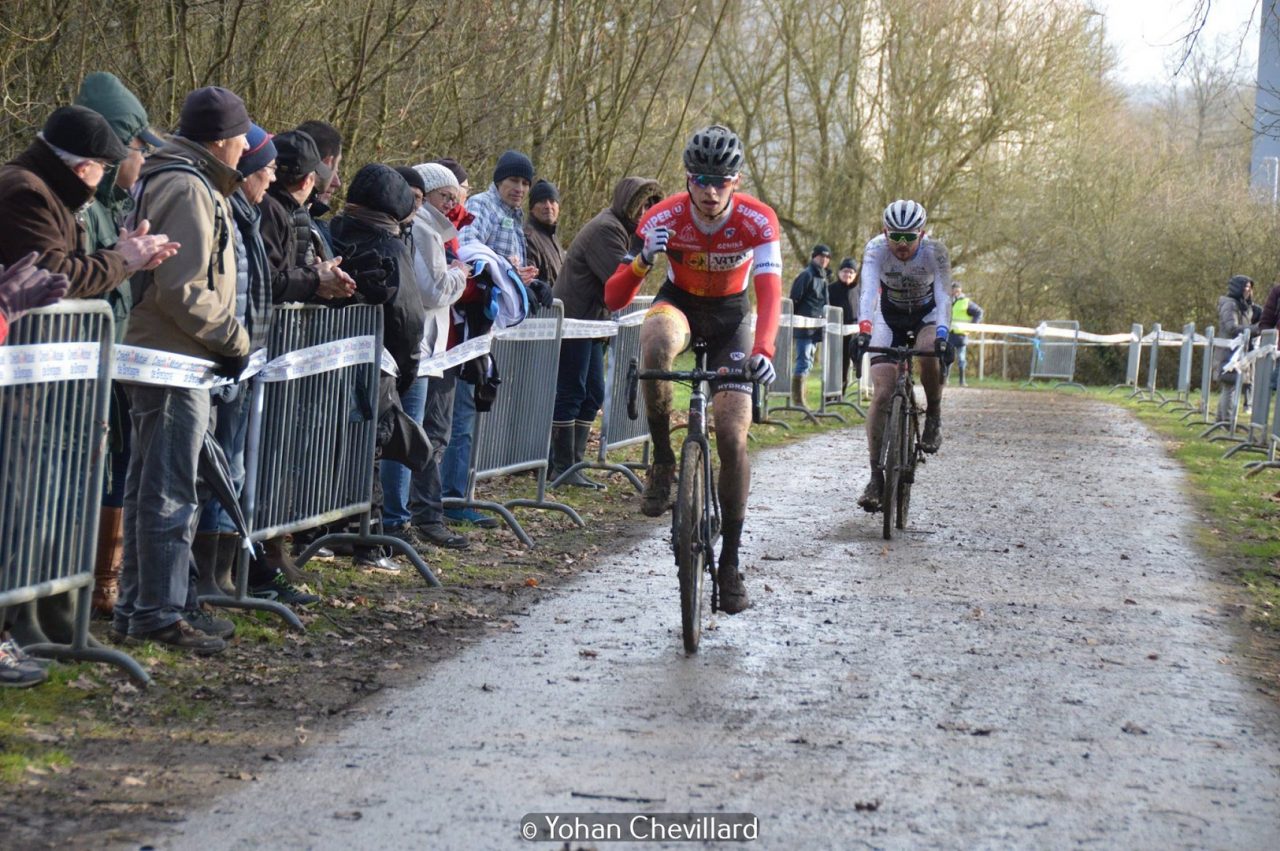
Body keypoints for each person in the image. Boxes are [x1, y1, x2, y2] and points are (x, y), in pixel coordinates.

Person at [0, 104, 177, 650]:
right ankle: (25, 623)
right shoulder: (24, 192)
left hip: (50, 384)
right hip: (28, 386)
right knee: (28, 503)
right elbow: (54, 277)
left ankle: (56, 617)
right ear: (84, 169)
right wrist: (121, 259)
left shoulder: (48, 190)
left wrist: (123, 256)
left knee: (55, 497)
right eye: (105, 167)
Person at [603, 124, 781, 615]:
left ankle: (730, 562)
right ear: (686, 176)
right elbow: (613, 297)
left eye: (720, 181)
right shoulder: (663, 216)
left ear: (736, 180)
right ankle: (663, 459)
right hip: (678, 304)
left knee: (731, 434)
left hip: (731, 319)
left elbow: (768, 293)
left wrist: (764, 349)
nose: (709, 191)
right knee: (656, 344)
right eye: (700, 179)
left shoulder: (757, 220)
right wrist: (642, 259)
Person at [115, 86, 254, 653]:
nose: (247, 147)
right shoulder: (188, 188)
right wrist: (235, 340)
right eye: (241, 136)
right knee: (170, 490)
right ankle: (158, 612)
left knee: (151, 484)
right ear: (219, 140)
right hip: (172, 359)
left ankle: (137, 607)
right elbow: (184, 290)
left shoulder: (178, 179)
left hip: (168, 355)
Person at [74, 71, 167, 622]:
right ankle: (66, 589)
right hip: (71, 369)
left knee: (113, 464)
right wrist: (124, 263)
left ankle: (99, 583)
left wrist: (134, 265)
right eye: (136, 148)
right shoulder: (77, 205)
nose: (141, 161)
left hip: (107, 361)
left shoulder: (108, 207)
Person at [330, 164, 428, 572]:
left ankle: (326, 535)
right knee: (364, 451)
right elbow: (408, 321)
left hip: (327, 373)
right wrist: (406, 371)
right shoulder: (390, 249)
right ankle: (366, 544)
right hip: (376, 375)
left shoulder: (328, 231)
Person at [444, 150, 543, 528]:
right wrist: (504, 270)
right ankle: (451, 498)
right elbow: (468, 253)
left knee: (471, 409)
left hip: (488, 325)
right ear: (498, 180)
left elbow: (505, 265)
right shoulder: (483, 206)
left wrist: (523, 277)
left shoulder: (514, 217)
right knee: (462, 412)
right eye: (513, 181)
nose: (519, 189)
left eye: (524, 183)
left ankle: (459, 493)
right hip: (468, 323)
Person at [550, 175, 663, 489]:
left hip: (592, 322)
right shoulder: (608, 229)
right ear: (629, 202)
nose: (646, 211)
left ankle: (575, 463)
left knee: (592, 393)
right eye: (642, 204)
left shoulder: (622, 229)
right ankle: (563, 467)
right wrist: (642, 255)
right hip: (575, 320)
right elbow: (619, 281)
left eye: (653, 206)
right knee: (572, 392)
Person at [855, 199, 952, 513]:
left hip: (927, 314)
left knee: (928, 352)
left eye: (910, 237)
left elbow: (943, 297)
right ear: (885, 232)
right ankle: (874, 477)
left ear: (921, 234)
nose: (901, 243)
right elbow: (868, 292)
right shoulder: (875, 249)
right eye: (894, 236)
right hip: (888, 316)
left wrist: (941, 337)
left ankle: (934, 415)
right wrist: (864, 330)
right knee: (882, 391)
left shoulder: (935, 253)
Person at [402, 163, 472, 550]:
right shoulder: (424, 230)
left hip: (431, 347)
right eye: (446, 197)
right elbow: (434, 290)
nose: (452, 205)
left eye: (456, 198)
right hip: (421, 347)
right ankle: (419, 515)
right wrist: (462, 274)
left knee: (429, 433)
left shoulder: (434, 228)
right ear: (426, 195)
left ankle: (419, 514)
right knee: (423, 434)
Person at [789, 244, 831, 408]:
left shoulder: (823, 277)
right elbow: (794, 299)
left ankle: (802, 399)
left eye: (827, 257)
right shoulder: (806, 275)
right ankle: (798, 402)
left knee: (809, 362)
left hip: (816, 328)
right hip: (804, 328)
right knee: (803, 361)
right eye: (821, 256)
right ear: (814, 257)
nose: (824, 259)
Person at [1215, 274, 1258, 424]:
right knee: (1230, 386)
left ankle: (1221, 421)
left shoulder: (1244, 306)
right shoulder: (1230, 304)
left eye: (1250, 287)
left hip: (1237, 351)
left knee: (1230, 386)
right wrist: (1255, 329)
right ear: (1237, 288)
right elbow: (1231, 327)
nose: (1248, 290)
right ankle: (1226, 422)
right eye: (1245, 287)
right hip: (1229, 351)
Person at [524, 178, 565, 287]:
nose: (548, 206)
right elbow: (528, 281)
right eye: (542, 201)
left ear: (558, 207)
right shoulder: (528, 238)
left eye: (552, 201)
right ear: (532, 208)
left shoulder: (553, 237)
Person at [828, 256, 860, 395]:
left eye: (851, 272)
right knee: (833, 363)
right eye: (845, 271)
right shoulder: (830, 289)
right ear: (839, 272)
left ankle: (841, 391)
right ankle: (830, 393)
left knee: (847, 364)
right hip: (833, 332)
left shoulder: (859, 290)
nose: (847, 275)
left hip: (853, 333)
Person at [947, 282, 983, 386]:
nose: (956, 293)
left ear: (960, 291)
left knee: (961, 359)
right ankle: (946, 380)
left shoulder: (966, 302)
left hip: (961, 335)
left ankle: (962, 381)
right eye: (954, 291)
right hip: (950, 334)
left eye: (957, 291)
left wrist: (973, 326)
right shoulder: (947, 302)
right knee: (948, 358)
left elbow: (979, 312)